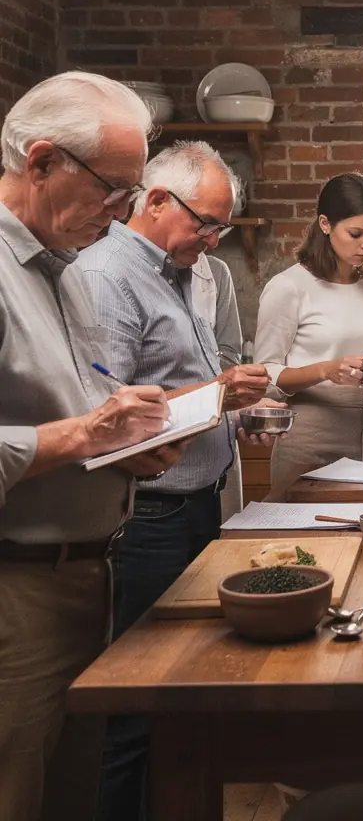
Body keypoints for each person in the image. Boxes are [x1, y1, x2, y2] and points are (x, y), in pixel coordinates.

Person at [0, 72, 183, 821]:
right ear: (42, 161)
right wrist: (85, 434)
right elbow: (74, 428)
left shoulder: (67, 268)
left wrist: (125, 443)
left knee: (73, 795)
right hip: (18, 592)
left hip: (88, 577)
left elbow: (79, 410)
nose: (122, 213)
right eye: (113, 190)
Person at [77, 140, 272, 821]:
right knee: (139, 705)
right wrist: (219, 391)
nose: (214, 240)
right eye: (206, 223)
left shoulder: (187, 271)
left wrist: (235, 408)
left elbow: (191, 379)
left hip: (197, 504)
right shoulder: (108, 276)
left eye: (222, 227)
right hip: (147, 517)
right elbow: (108, 421)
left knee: (187, 693)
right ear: (156, 200)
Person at [255, 173, 363, 498]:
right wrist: (325, 370)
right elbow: (265, 375)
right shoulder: (288, 288)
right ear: (325, 224)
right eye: (356, 234)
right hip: (308, 441)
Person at [192, 252, 246, 519]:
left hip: (217, 438)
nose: (213, 242)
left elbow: (229, 353)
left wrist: (234, 402)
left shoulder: (216, 271)